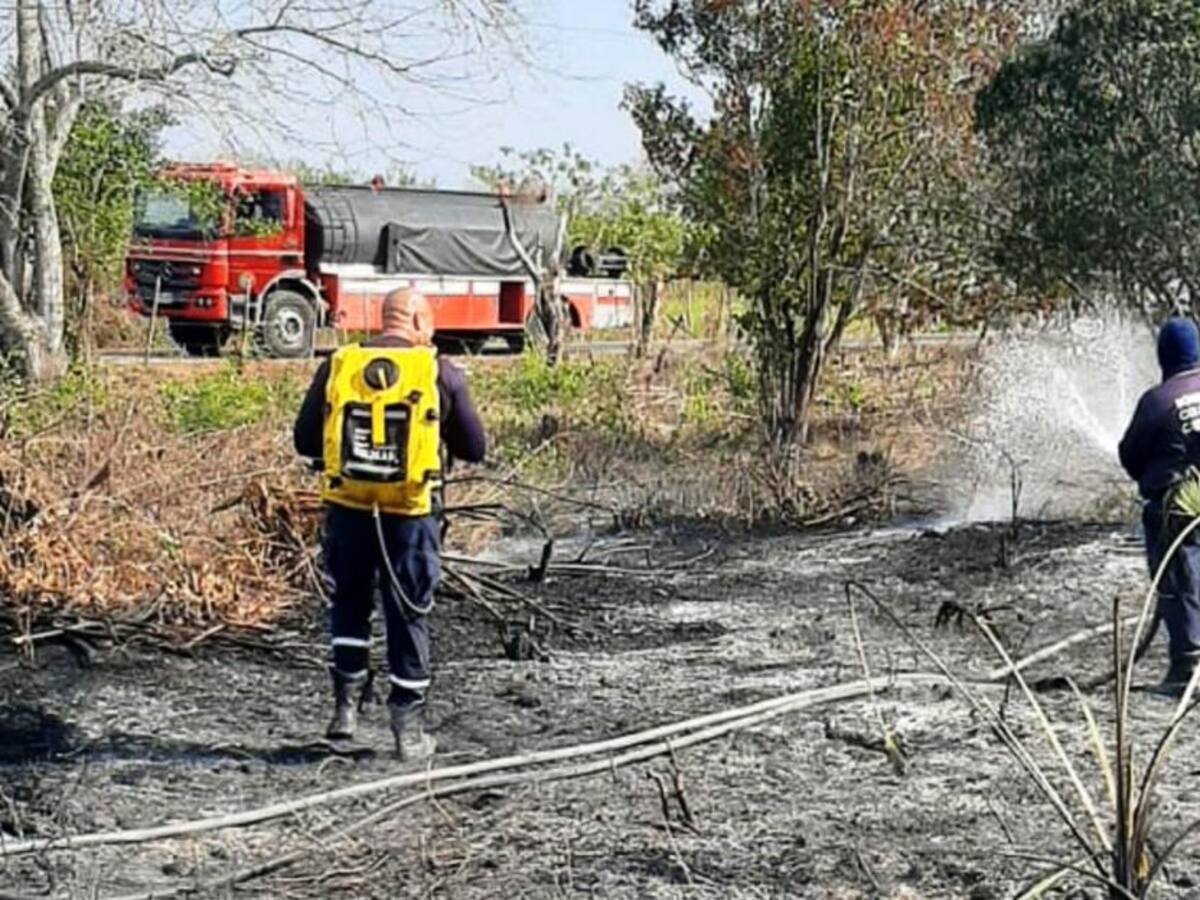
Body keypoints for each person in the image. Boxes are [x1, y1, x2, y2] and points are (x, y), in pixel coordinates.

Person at [293, 288, 486, 758]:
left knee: (349, 603)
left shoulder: (340, 365)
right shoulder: (438, 371)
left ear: (385, 321)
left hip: (348, 507)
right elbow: (475, 448)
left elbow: (304, 440)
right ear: (418, 322)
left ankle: (345, 710)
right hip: (411, 514)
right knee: (408, 612)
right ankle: (408, 730)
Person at [1119, 316, 1200, 697]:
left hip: (1177, 510)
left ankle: (1187, 668)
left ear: (1164, 355)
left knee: (1177, 582)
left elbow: (1130, 455)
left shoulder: (1158, 400)